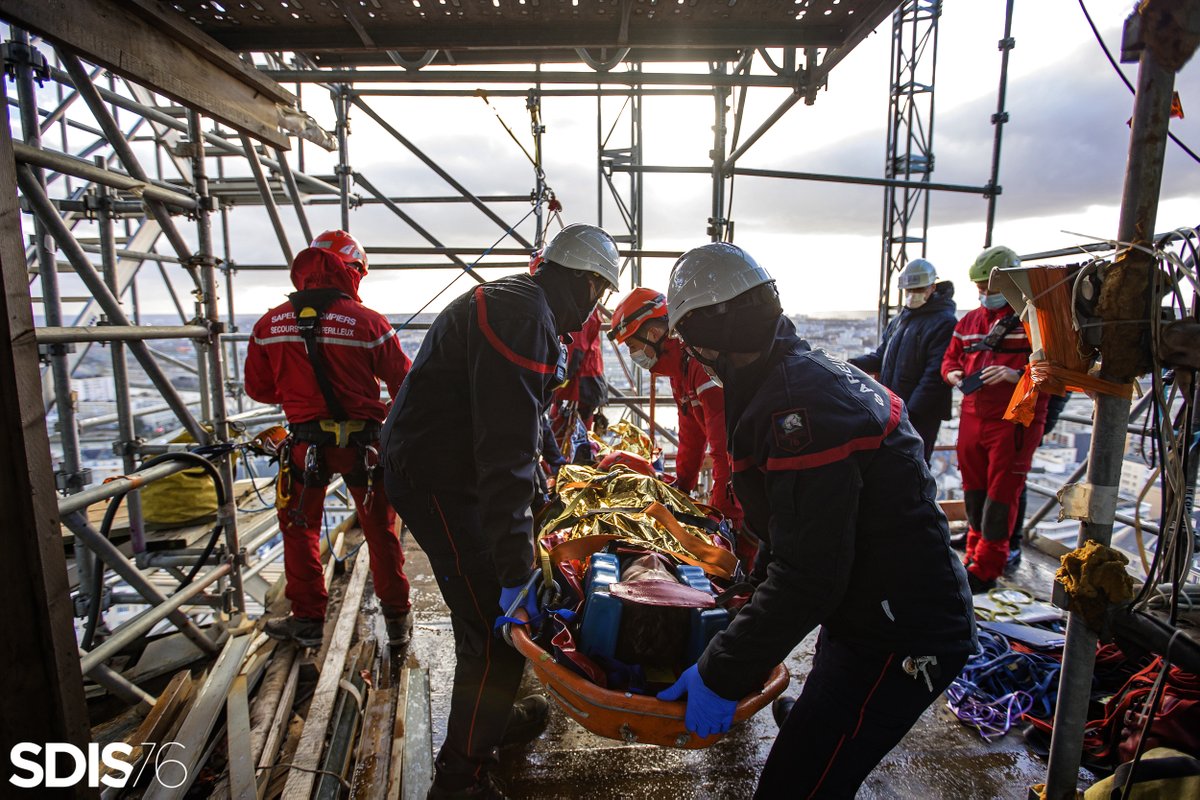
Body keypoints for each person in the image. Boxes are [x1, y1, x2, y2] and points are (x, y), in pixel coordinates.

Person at [656, 243, 976, 799]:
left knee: (798, 785)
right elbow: (801, 530)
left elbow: (811, 576)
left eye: (695, 344)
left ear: (712, 336)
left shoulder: (794, 411)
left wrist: (721, 670)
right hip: (873, 607)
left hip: (901, 635)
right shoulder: (801, 376)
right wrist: (748, 601)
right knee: (821, 724)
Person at [381, 223, 620, 800]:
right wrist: (515, 573)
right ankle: (461, 778)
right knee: (493, 631)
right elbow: (504, 458)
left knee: (497, 615)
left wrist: (561, 464)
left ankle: (486, 723)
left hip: (441, 468)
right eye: (600, 297)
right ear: (590, 285)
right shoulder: (524, 316)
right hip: (439, 480)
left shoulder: (522, 303)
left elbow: (526, 415)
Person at [244, 230, 413, 649]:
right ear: (353, 272)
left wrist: (301, 395)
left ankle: (307, 622)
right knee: (380, 530)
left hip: (305, 446)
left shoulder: (269, 324)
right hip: (364, 447)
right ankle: (396, 619)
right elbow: (406, 384)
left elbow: (258, 388)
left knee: (300, 531)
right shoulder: (369, 322)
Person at [941, 245, 1049, 592]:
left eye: (991, 288)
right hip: (975, 414)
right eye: (981, 289)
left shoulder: (1034, 321)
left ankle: (987, 566)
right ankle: (974, 553)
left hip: (1014, 417)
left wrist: (1013, 374)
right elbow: (950, 360)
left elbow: (1053, 371)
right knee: (974, 489)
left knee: (1001, 494)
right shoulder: (969, 322)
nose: (985, 295)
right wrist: (955, 375)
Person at [607, 287, 743, 527]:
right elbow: (691, 436)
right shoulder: (680, 369)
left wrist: (724, 515)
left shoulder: (701, 364)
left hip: (747, 484)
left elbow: (725, 450)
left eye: (632, 346)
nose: (633, 354)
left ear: (653, 333)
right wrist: (682, 487)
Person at [849, 258, 956, 463]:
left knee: (913, 466)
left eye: (918, 289)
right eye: (908, 290)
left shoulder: (943, 322)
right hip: (897, 409)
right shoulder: (901, 319)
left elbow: (933, 376)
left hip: (918, 415)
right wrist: (850, 364)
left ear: (932, 287)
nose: (911, 295)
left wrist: (909, 413)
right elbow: (882, 356)